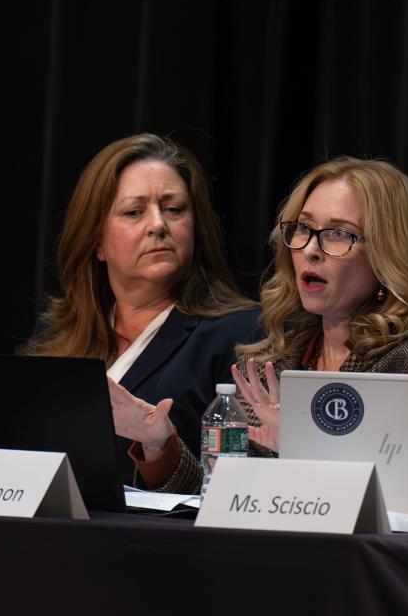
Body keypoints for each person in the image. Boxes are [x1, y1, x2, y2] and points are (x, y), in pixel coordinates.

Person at [24, 133, 260, 494]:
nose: (158, 225)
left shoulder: (240, 334)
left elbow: (244, 491)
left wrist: (160, 447)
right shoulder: (55, 335)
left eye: (174, 209)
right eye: (134, 212)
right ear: (96, 242)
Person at [233, 156, 408, 452]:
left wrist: (304, 444)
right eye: (304, 227)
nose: (311, 249)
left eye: (339, 234)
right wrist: (162, 451)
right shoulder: (267, 367)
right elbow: (221, 486)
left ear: (387, 251)